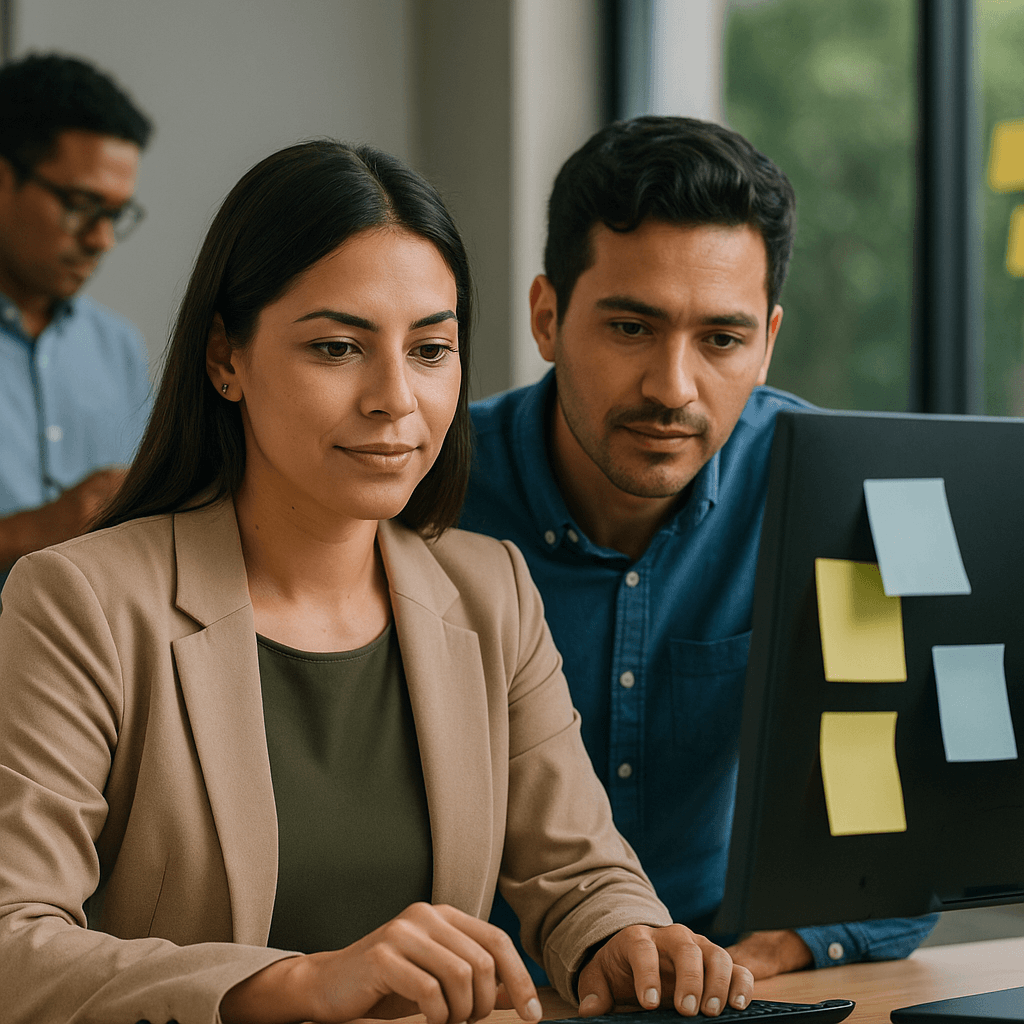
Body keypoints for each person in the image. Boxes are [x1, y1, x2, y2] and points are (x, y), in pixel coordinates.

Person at [0, 139, 755, 1024]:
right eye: (336, 347)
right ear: (226, 359)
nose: (395, 397)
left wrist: (624, 938)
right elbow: (14, 939)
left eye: (431, 349)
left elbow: (577, 871)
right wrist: (295, 985)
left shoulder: (491, 591)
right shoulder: (80, 601)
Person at [461, 116, 937, 980]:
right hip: (496, 990)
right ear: (546, 316)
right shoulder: (429, 494)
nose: (672, 388)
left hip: (725, 982)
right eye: (632, 328)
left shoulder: (835, 503)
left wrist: (782, 948)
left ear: (767, 345)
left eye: (721, 338)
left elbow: (906, 819)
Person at [0, 53, 153, 585]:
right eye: (81, 204)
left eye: (115, 215)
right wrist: (31, 531)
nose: (101, 239)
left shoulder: (117, 348)